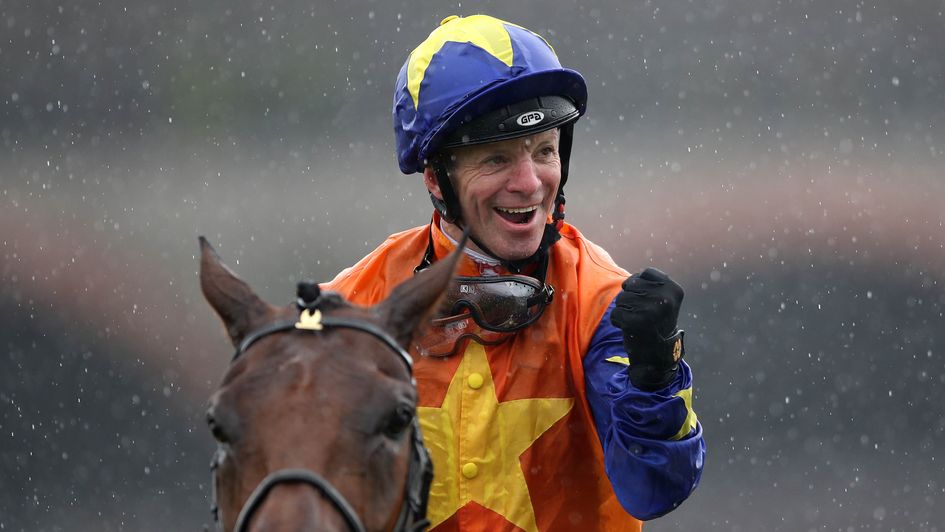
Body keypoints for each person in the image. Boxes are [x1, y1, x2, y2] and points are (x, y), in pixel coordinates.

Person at [323, 14, 704, 531]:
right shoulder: (350, 303)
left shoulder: (601, 302)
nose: (529, 183)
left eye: (544, 151)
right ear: (437, 179)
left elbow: (654, 489)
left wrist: (655, 377)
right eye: (497, 159)